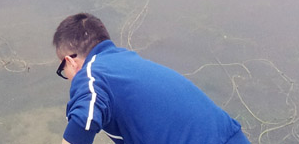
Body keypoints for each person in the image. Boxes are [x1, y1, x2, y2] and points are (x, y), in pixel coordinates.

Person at [53, 12, 252, 144]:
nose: (69, 78)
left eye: (63, 70)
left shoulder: (93, 73)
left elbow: (84, 120)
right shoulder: (128, 65)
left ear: (70, 62)